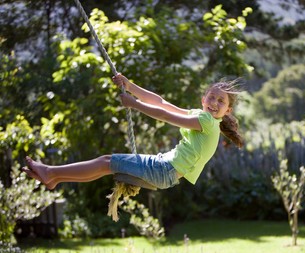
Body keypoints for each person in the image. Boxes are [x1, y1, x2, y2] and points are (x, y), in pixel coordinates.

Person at [22, 74, 244, 191]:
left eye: (221, 101)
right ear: (203, 99)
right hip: (164, 168)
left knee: (105, 162)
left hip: (163, 169)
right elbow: (162, 103)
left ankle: (52, 173)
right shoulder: (202, 116)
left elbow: (165, 116)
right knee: (105, 164)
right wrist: (130, 86)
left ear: (228, 110)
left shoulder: (206, 120)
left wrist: (133, 104)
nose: (214, 103)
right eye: (211, 97)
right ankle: (54, 177)